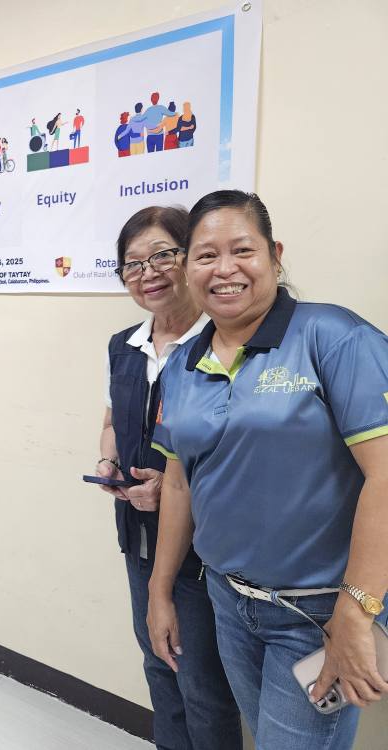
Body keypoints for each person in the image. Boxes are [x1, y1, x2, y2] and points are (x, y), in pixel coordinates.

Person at [148, 190, 388, 750]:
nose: (224, 269)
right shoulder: (183, 364)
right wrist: (160, 590)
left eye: (242, 250)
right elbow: (179, 483)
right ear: (187, 270)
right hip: (230, 602)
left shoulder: (334, 337)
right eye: (206, 256)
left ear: (275, 256)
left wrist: (357, 614)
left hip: (320, 611)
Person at [97, 206, 241, 750]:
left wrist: (171, 486)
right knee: (157, 664)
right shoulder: (123, 346)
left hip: (202, 551)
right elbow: (111, 423)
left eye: (162, 256)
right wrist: (109, 465)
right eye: (133, 264)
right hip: (138, 538)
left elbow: (239, 453)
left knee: (202, 684)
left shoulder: (221, 343)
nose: (148, 273)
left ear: (190, 259)